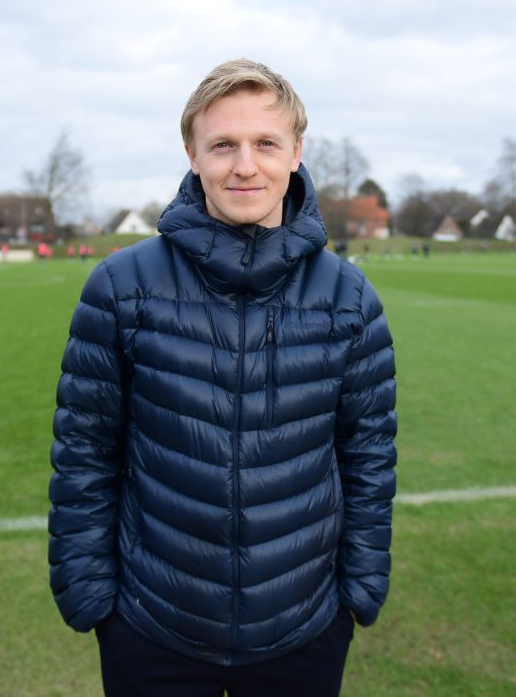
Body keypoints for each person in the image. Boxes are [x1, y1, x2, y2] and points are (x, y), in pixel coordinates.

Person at [48, 59, 397, 697]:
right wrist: (91, 593)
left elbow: (368, 452)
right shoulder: (122, 287)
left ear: (296, 152)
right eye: (223, 145)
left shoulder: (349, 296)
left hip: (305, 630)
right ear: (192, 153)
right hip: (152, 629)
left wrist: (360, 588)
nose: (245, 165)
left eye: (265, 143)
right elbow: (85, 451)